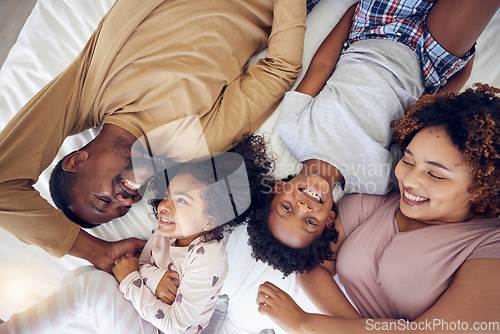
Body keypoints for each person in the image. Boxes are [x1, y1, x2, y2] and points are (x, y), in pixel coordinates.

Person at [0, 0, 306, 272]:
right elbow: (279, 70)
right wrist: (101, 251)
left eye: (102, 200)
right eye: (124, 208)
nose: (126, 199)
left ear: (77, 161)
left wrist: (95, 253)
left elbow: (3, 185)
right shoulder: (192, 143)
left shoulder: (86, 89)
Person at [246, 0, 500, 275]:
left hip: (372, 29)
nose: (304, 207)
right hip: (429, 62)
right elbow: (420, 123)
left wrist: (351, 15)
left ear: (276, 189)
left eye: (287, 208)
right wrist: (458, 78)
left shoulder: (293, 130)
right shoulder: (377, 181)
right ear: (330, 219)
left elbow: (321, 66)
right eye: (310, 222)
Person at [255, 83, 500, 333]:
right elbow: (312, 266)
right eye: (408, 160)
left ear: (482, 186)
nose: (409, 180)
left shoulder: (490, 244)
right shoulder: (376, 201)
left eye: (435, 175)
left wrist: (304, 323)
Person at [0, 135, 274, 333]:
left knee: (93, 285)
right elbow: (140, 265)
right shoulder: (166, 232)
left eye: (182, 201)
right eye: (168, 196)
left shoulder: (208, 256)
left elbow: (178, 325)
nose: (164, 206)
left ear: (209, 220)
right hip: (145, 317)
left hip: (160, 329)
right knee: (81, 276)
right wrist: (152, 278)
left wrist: (132, 279)